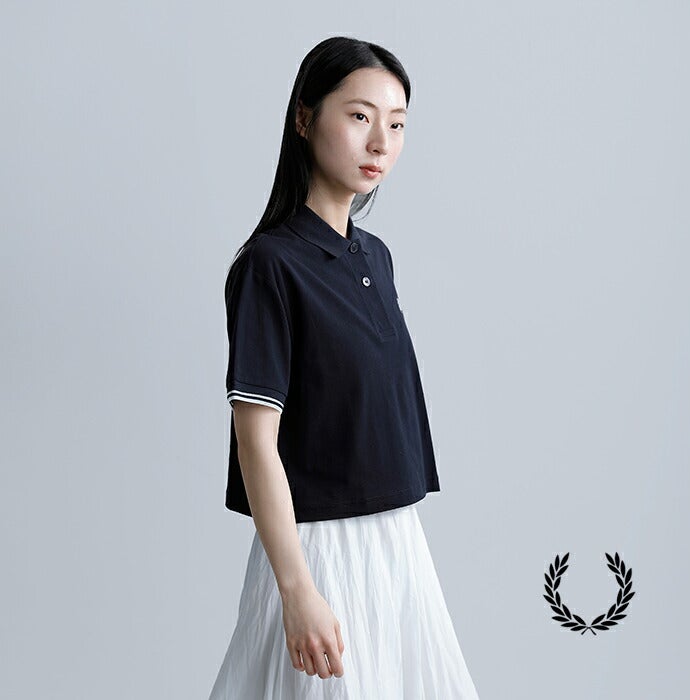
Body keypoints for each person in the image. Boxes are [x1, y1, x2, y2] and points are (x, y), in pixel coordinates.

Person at [207, 36, 481, 699]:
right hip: (319, 554)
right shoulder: (270, 266)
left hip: (398, 545)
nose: (380, 143)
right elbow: (256, 442)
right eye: (359, 116)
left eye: (397, 124)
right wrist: (297, 589)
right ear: (304, 119)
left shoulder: (375, 258)